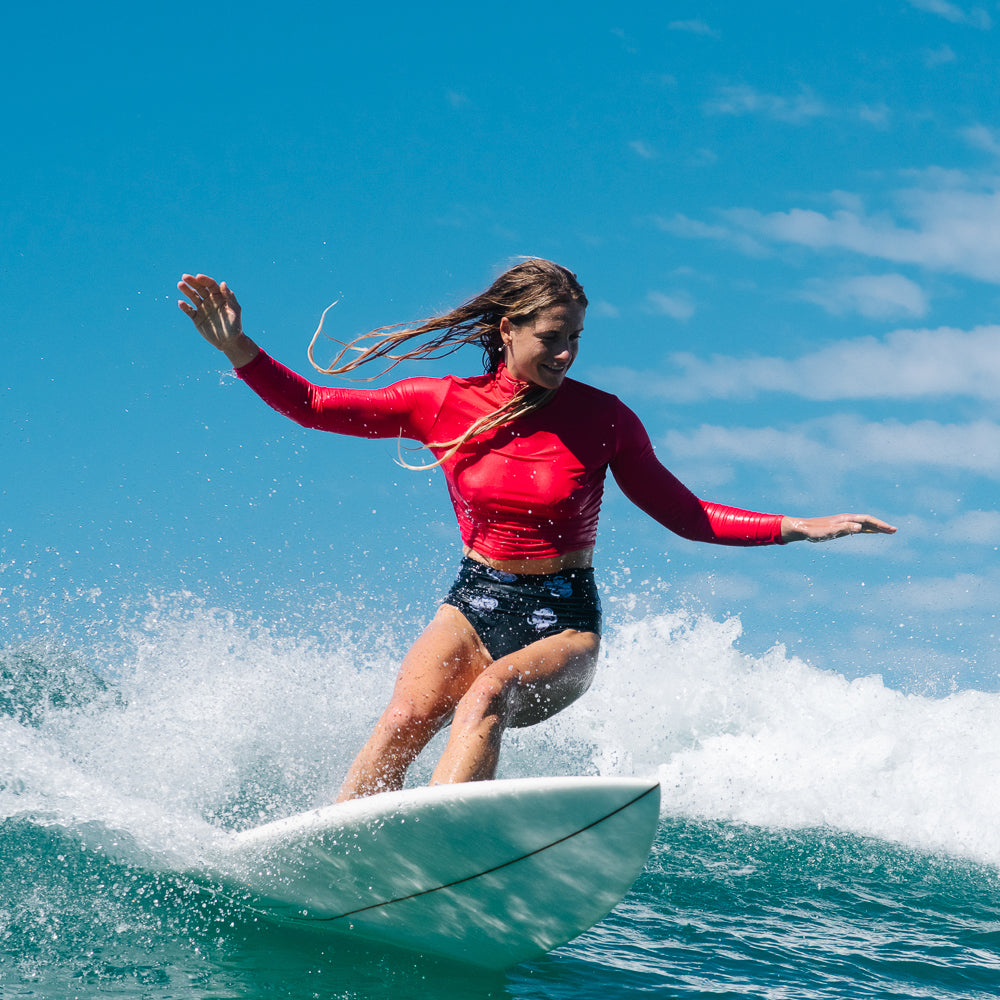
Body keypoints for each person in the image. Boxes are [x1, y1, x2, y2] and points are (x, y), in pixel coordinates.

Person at [177, 260, 896, 801]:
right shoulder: (440, 404)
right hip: (476, 597)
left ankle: (441, 855)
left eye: (577, 339)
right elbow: (311, 404)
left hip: (564, 616)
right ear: (507, 330)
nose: (567, 354)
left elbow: (687, 514)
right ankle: (336, 851)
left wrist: (798, 527)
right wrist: (239, 349)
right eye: (553, 338)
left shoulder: (604, 418)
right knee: (405, 717)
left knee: (488, 695)